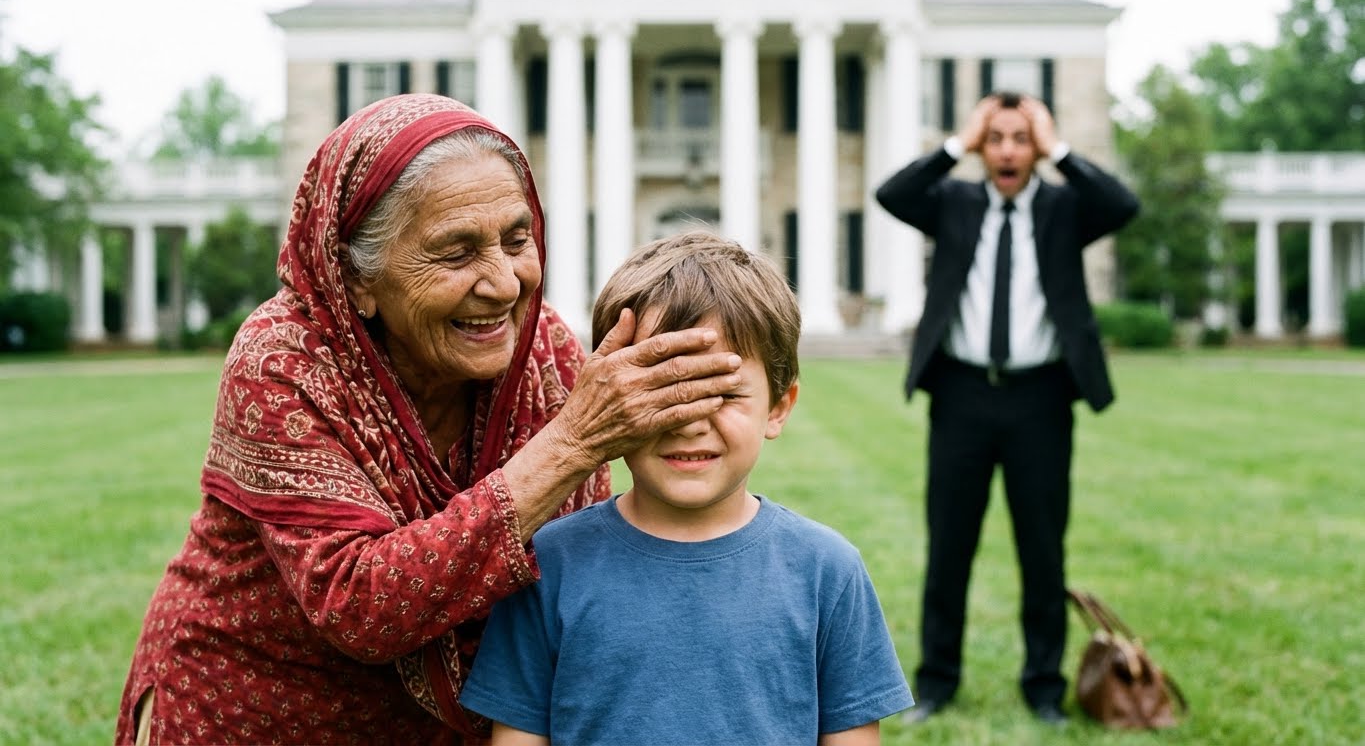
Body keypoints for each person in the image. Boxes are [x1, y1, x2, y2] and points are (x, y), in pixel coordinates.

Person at [114, 94, 746, 745]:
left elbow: (569, 580)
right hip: (253, 711)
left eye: (517, 239)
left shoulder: (545, 352)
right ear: (355, 277)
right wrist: (572, 444)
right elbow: (359, 605)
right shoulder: (285, 358)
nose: (502, 283)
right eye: (456, 252)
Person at [458, 231, 914, 745]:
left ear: (779, 406)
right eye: (662, 390)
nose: (690, 422)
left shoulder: (827, 571)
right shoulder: (546, 565)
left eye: (721, 393)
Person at [874, 92, 1139, 724]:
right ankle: (937, 682)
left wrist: (1059, 151)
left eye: (1021, 139)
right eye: (997, 139)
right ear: (982, 147)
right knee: (949, 546)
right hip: (961, 394)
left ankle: (1043, 688)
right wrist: (956, 143)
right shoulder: (955, 202)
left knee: (1042, 548)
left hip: (1041, 398)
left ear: (1037, 147)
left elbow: (1123, 205)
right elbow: (892, 194)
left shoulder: (1064, 207)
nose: (1009, 150)